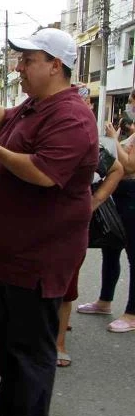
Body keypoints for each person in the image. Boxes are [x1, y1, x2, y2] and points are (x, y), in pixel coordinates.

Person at [0, 28, 97, 416]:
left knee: (33, 348)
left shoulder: (71, 116)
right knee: (7, 335)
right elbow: (4, 122)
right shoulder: (36, 104)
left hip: (39, 255)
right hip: (12, 253)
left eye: (27, 60)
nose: (19, 68)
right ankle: (8, 403)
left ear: (55, 65)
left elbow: (43, 172)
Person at [55, 88, 123, 367]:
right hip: (38, 226)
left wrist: (94, 202)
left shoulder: (87, 142)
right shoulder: (42, 135)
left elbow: (117, 169)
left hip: (71, 226)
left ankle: (58, 343)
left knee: (66, 286)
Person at [79, 89, 135, 333]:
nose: (130, 107)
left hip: (132, 196)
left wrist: (113, 138)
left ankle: (132, 313)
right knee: (111, 247)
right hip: (121, 195)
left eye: (132, 103)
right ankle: (104, 300)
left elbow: (130, 165)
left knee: (133, 255)